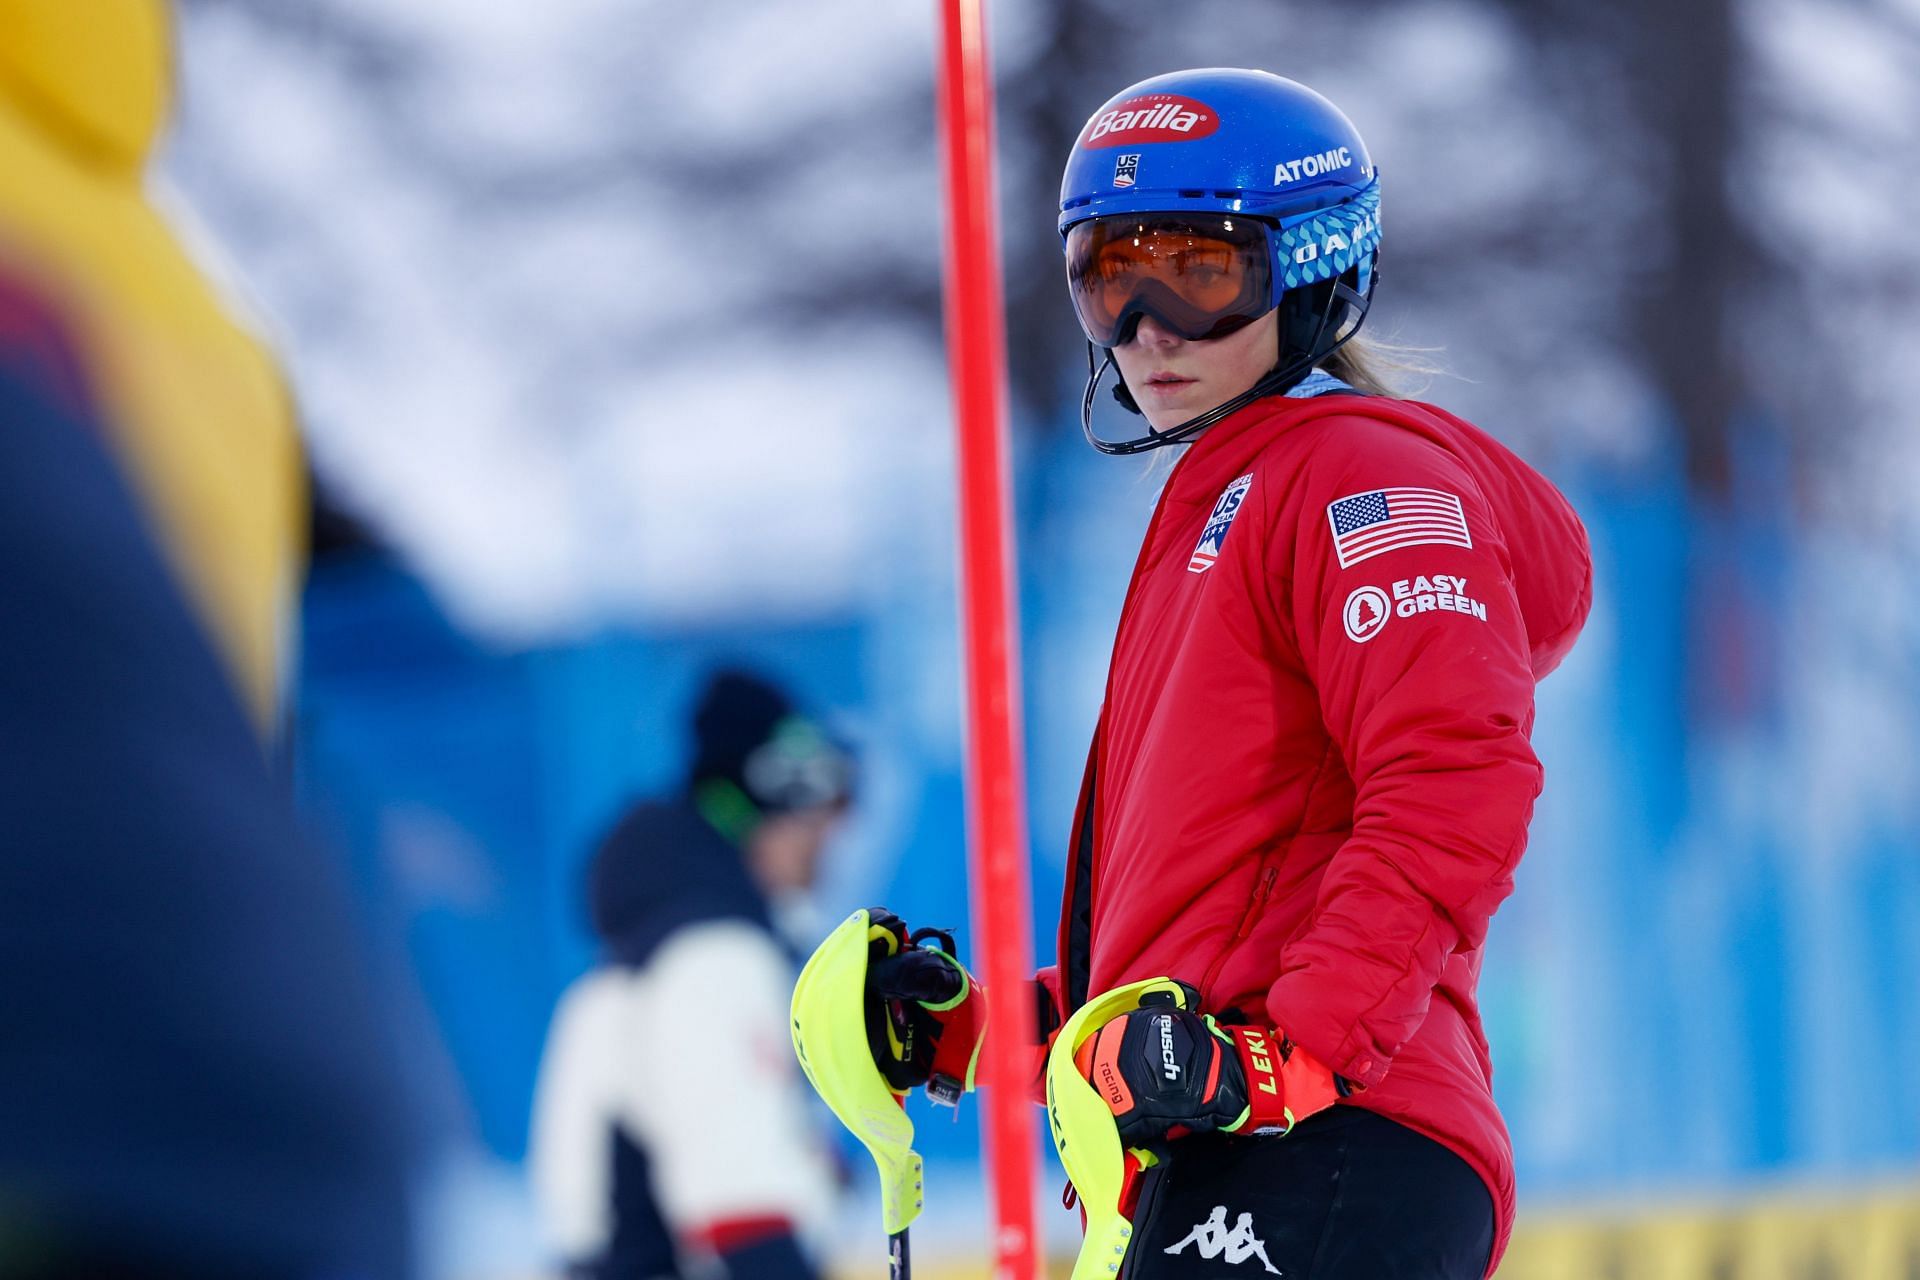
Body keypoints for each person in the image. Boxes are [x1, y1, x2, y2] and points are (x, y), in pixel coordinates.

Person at [861, 69, 1593, 1279]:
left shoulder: (1359, 477)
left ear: (1309, 268)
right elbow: (1216, 930)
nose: (1148, 328)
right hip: (1230, 1141)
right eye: (1109, 277)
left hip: (1336, 1128)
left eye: (1199, 276)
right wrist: (983, 1032)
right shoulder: (1225, 498)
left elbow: (1455, 781)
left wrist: (1291, 1052)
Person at [528, 670, 856, 1280]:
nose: (826, 842)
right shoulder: (716, 961)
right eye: (813, 818)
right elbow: (747, 1214)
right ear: (763, 809)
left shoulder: (655, 955)